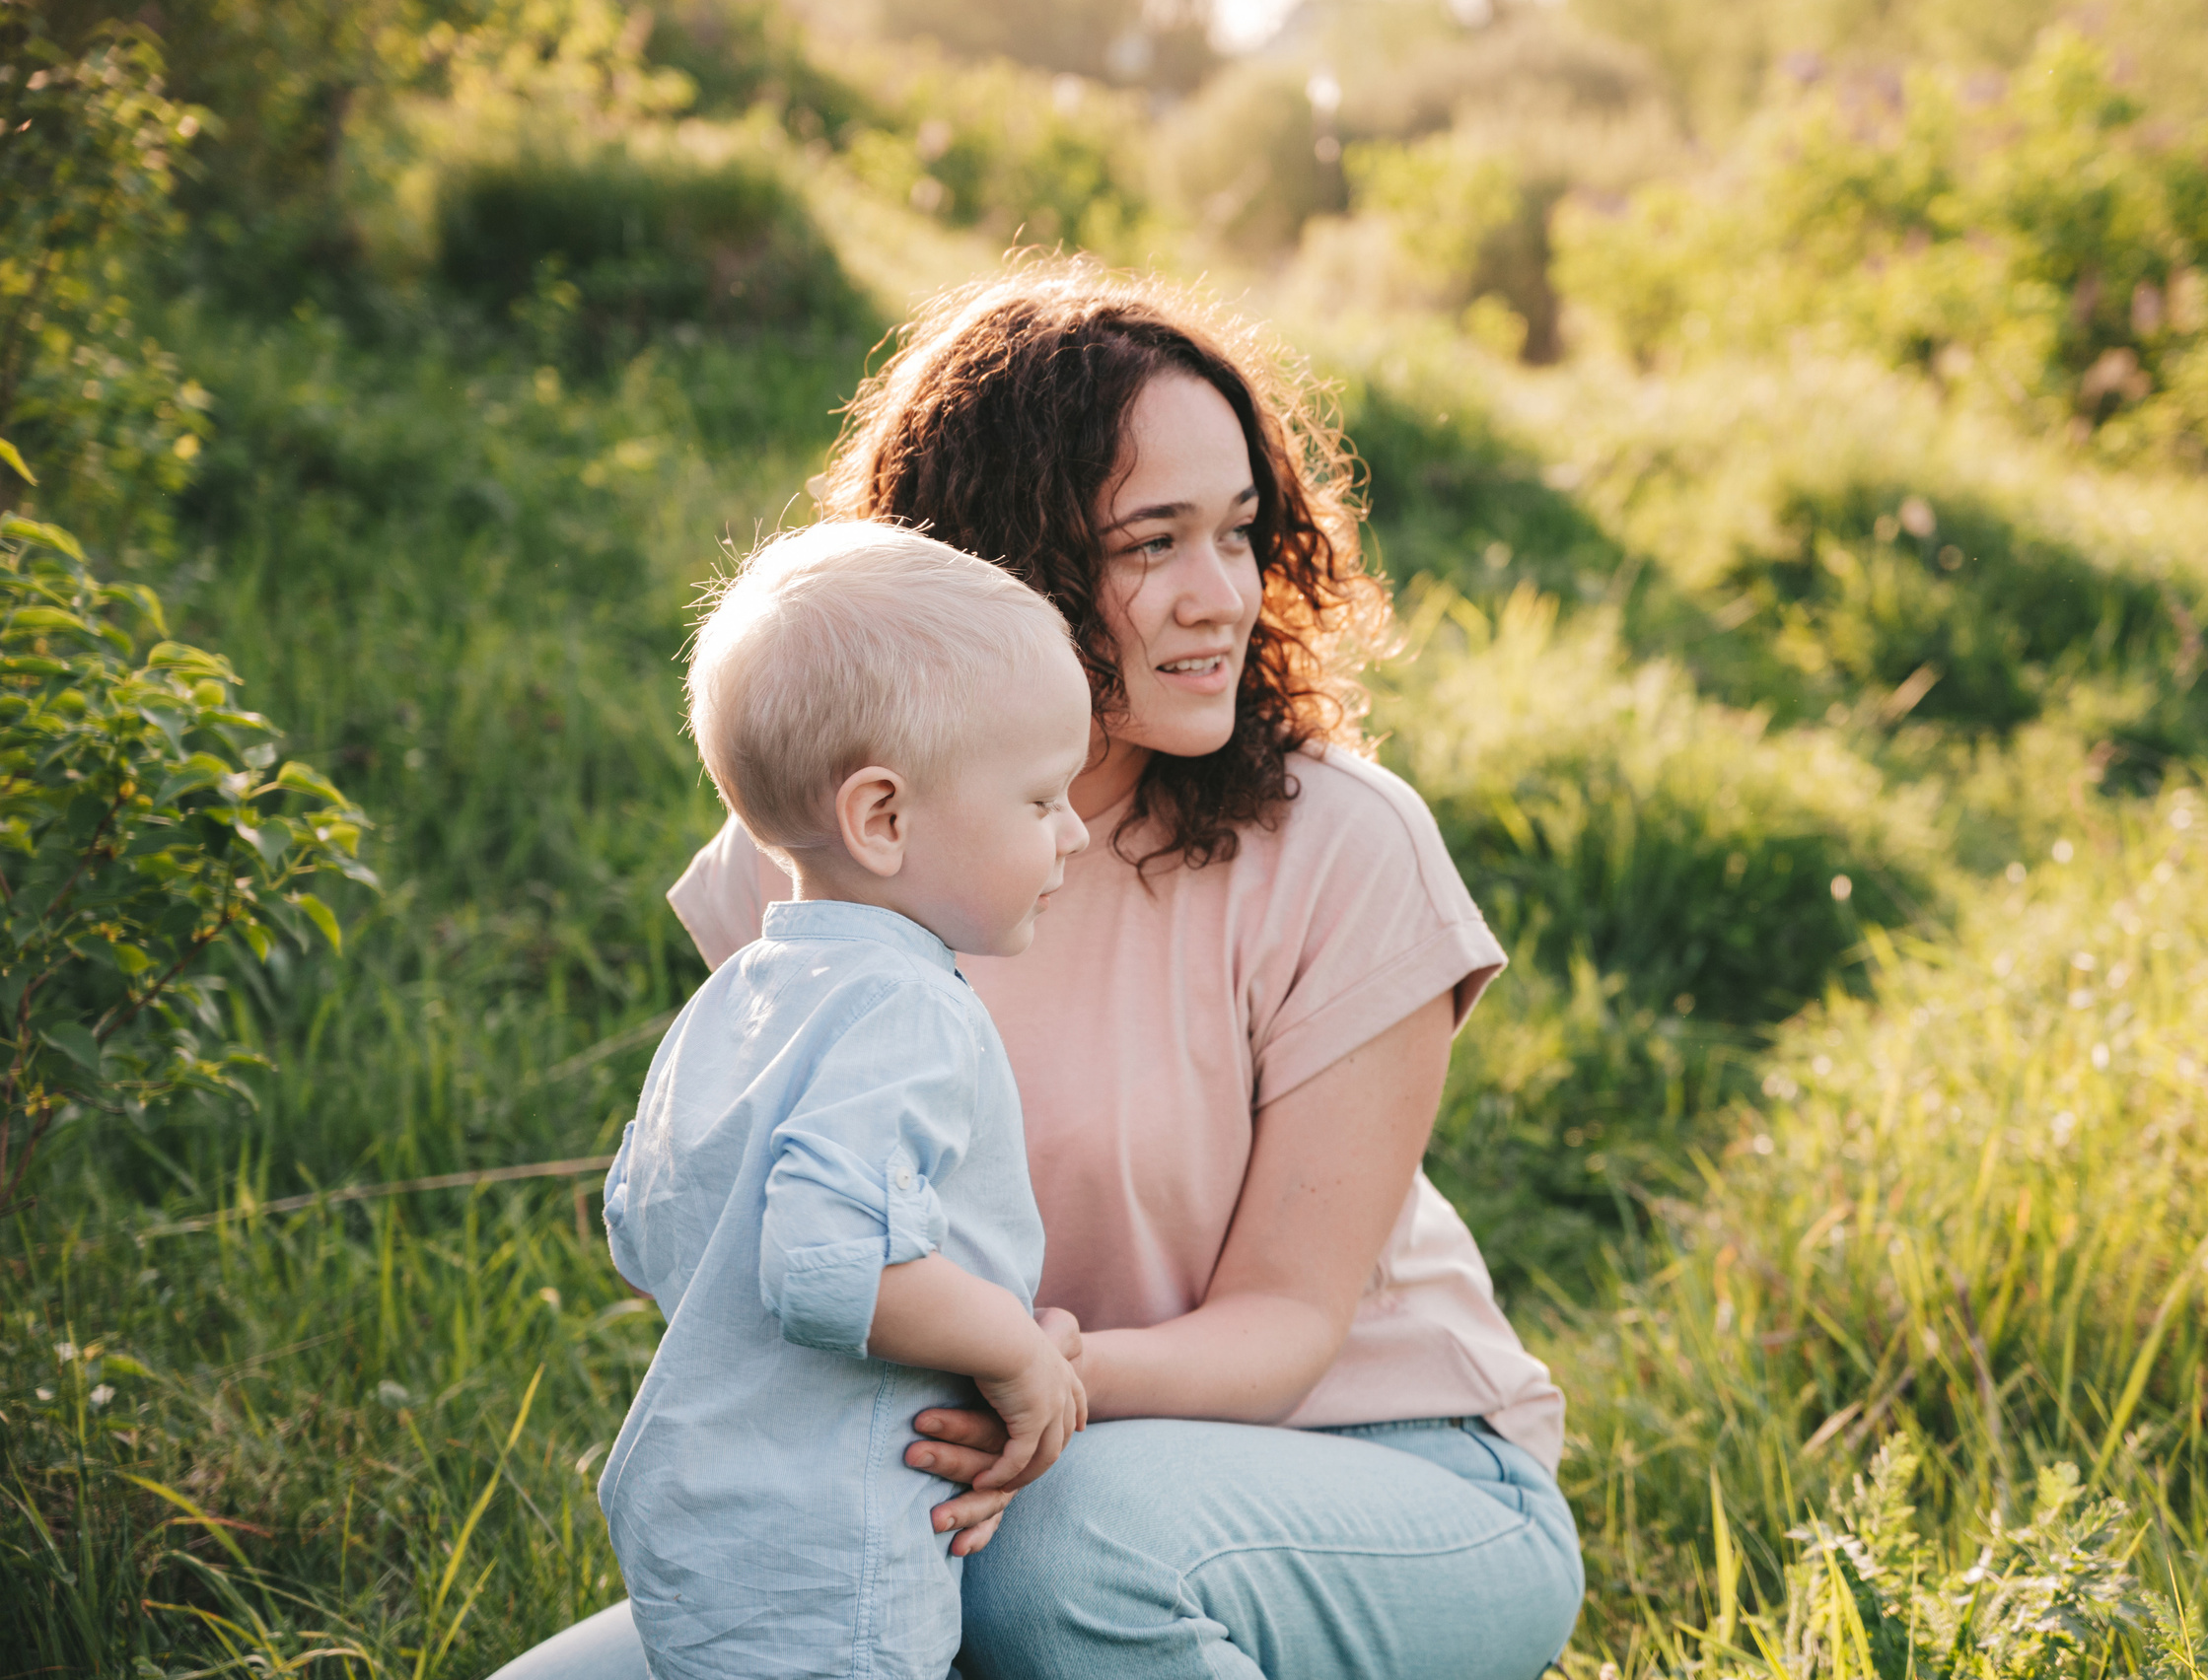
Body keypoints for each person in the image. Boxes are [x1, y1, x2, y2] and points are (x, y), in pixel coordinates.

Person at [494, 262, 1584, 1680]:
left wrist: (1039, 1376)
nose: (1221, 597)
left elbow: (1285, 1329)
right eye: (1150, 545)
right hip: (962, 1482)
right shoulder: (829, 847)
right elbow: (757, 1229)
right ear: (1001, 563)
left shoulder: (1347, 846)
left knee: (1059, 1563)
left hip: (1380, 1475)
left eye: (1239, 532)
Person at [597, 522, 1094, 1680]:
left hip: (705, 1519)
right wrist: (1014, 1350)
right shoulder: (905, 1007)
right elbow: (828, 1266)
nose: (1071, 834)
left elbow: (639, 1231)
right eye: (1039, 801)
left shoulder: (738, 999)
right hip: (839, 1546)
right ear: (882, 817)